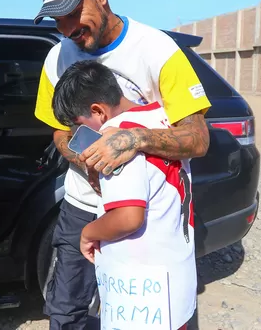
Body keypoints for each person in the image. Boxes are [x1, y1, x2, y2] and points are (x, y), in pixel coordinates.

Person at [33, 0, 211, 329]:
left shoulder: (158, 51)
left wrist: (134, 139)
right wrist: (88, 161)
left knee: (153, 315)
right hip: (82, 205)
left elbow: (197, 138)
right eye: (56, 19)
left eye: (71, 13)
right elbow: (59, 132)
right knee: (65, 312)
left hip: (149, 219)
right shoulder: (56, 58)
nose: (66, 29)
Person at [51, 60, 196, 330]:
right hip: (175, 279)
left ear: (98, 111)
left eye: (78, 124)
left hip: (141, 294)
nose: (78, 132)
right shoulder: (159, 118)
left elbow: (129, 217)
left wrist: (88, 233)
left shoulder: (114, 142)